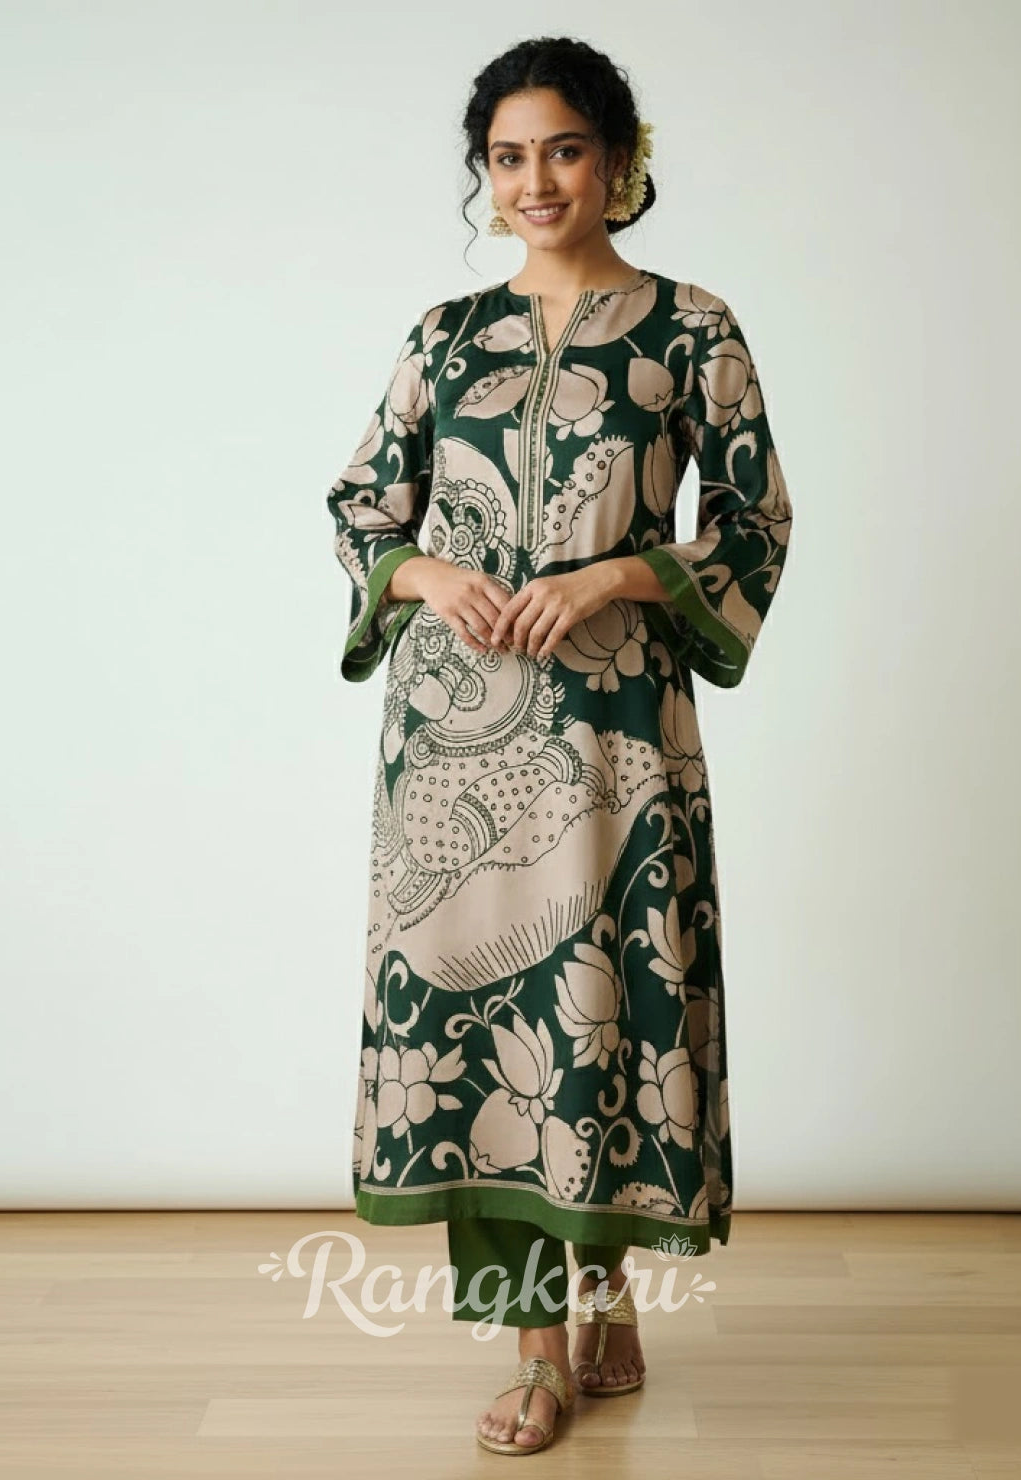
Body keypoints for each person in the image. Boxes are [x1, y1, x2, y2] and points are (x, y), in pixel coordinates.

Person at [326, 34, 793, 1456]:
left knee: (599, 1017)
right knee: (484, 1039)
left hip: (612, 737)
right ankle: (540, 1353)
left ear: (619, 158)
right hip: (450, 747)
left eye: (566, 149)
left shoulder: (691, 329)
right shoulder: (443, 335)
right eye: (509, 156)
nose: (536, 181)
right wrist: (423, 575)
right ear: (487, 172)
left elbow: (757, 522)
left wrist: (620, 576)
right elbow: (362, 505)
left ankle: (609, 1290)